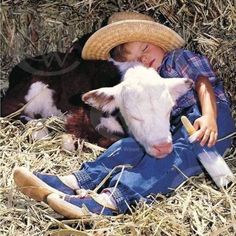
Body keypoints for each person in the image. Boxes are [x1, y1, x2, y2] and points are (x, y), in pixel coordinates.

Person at [13, 12, 235, 219]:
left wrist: (209, 117)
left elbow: (203, 82)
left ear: (159, 42)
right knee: (128, 147)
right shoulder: (149, 80)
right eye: (136, 58)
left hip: (211, 121)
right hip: (177, 127)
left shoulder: (178, 58)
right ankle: (74, 181)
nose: (144, 58)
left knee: (175, 156)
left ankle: (114, 200)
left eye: (146, 48)